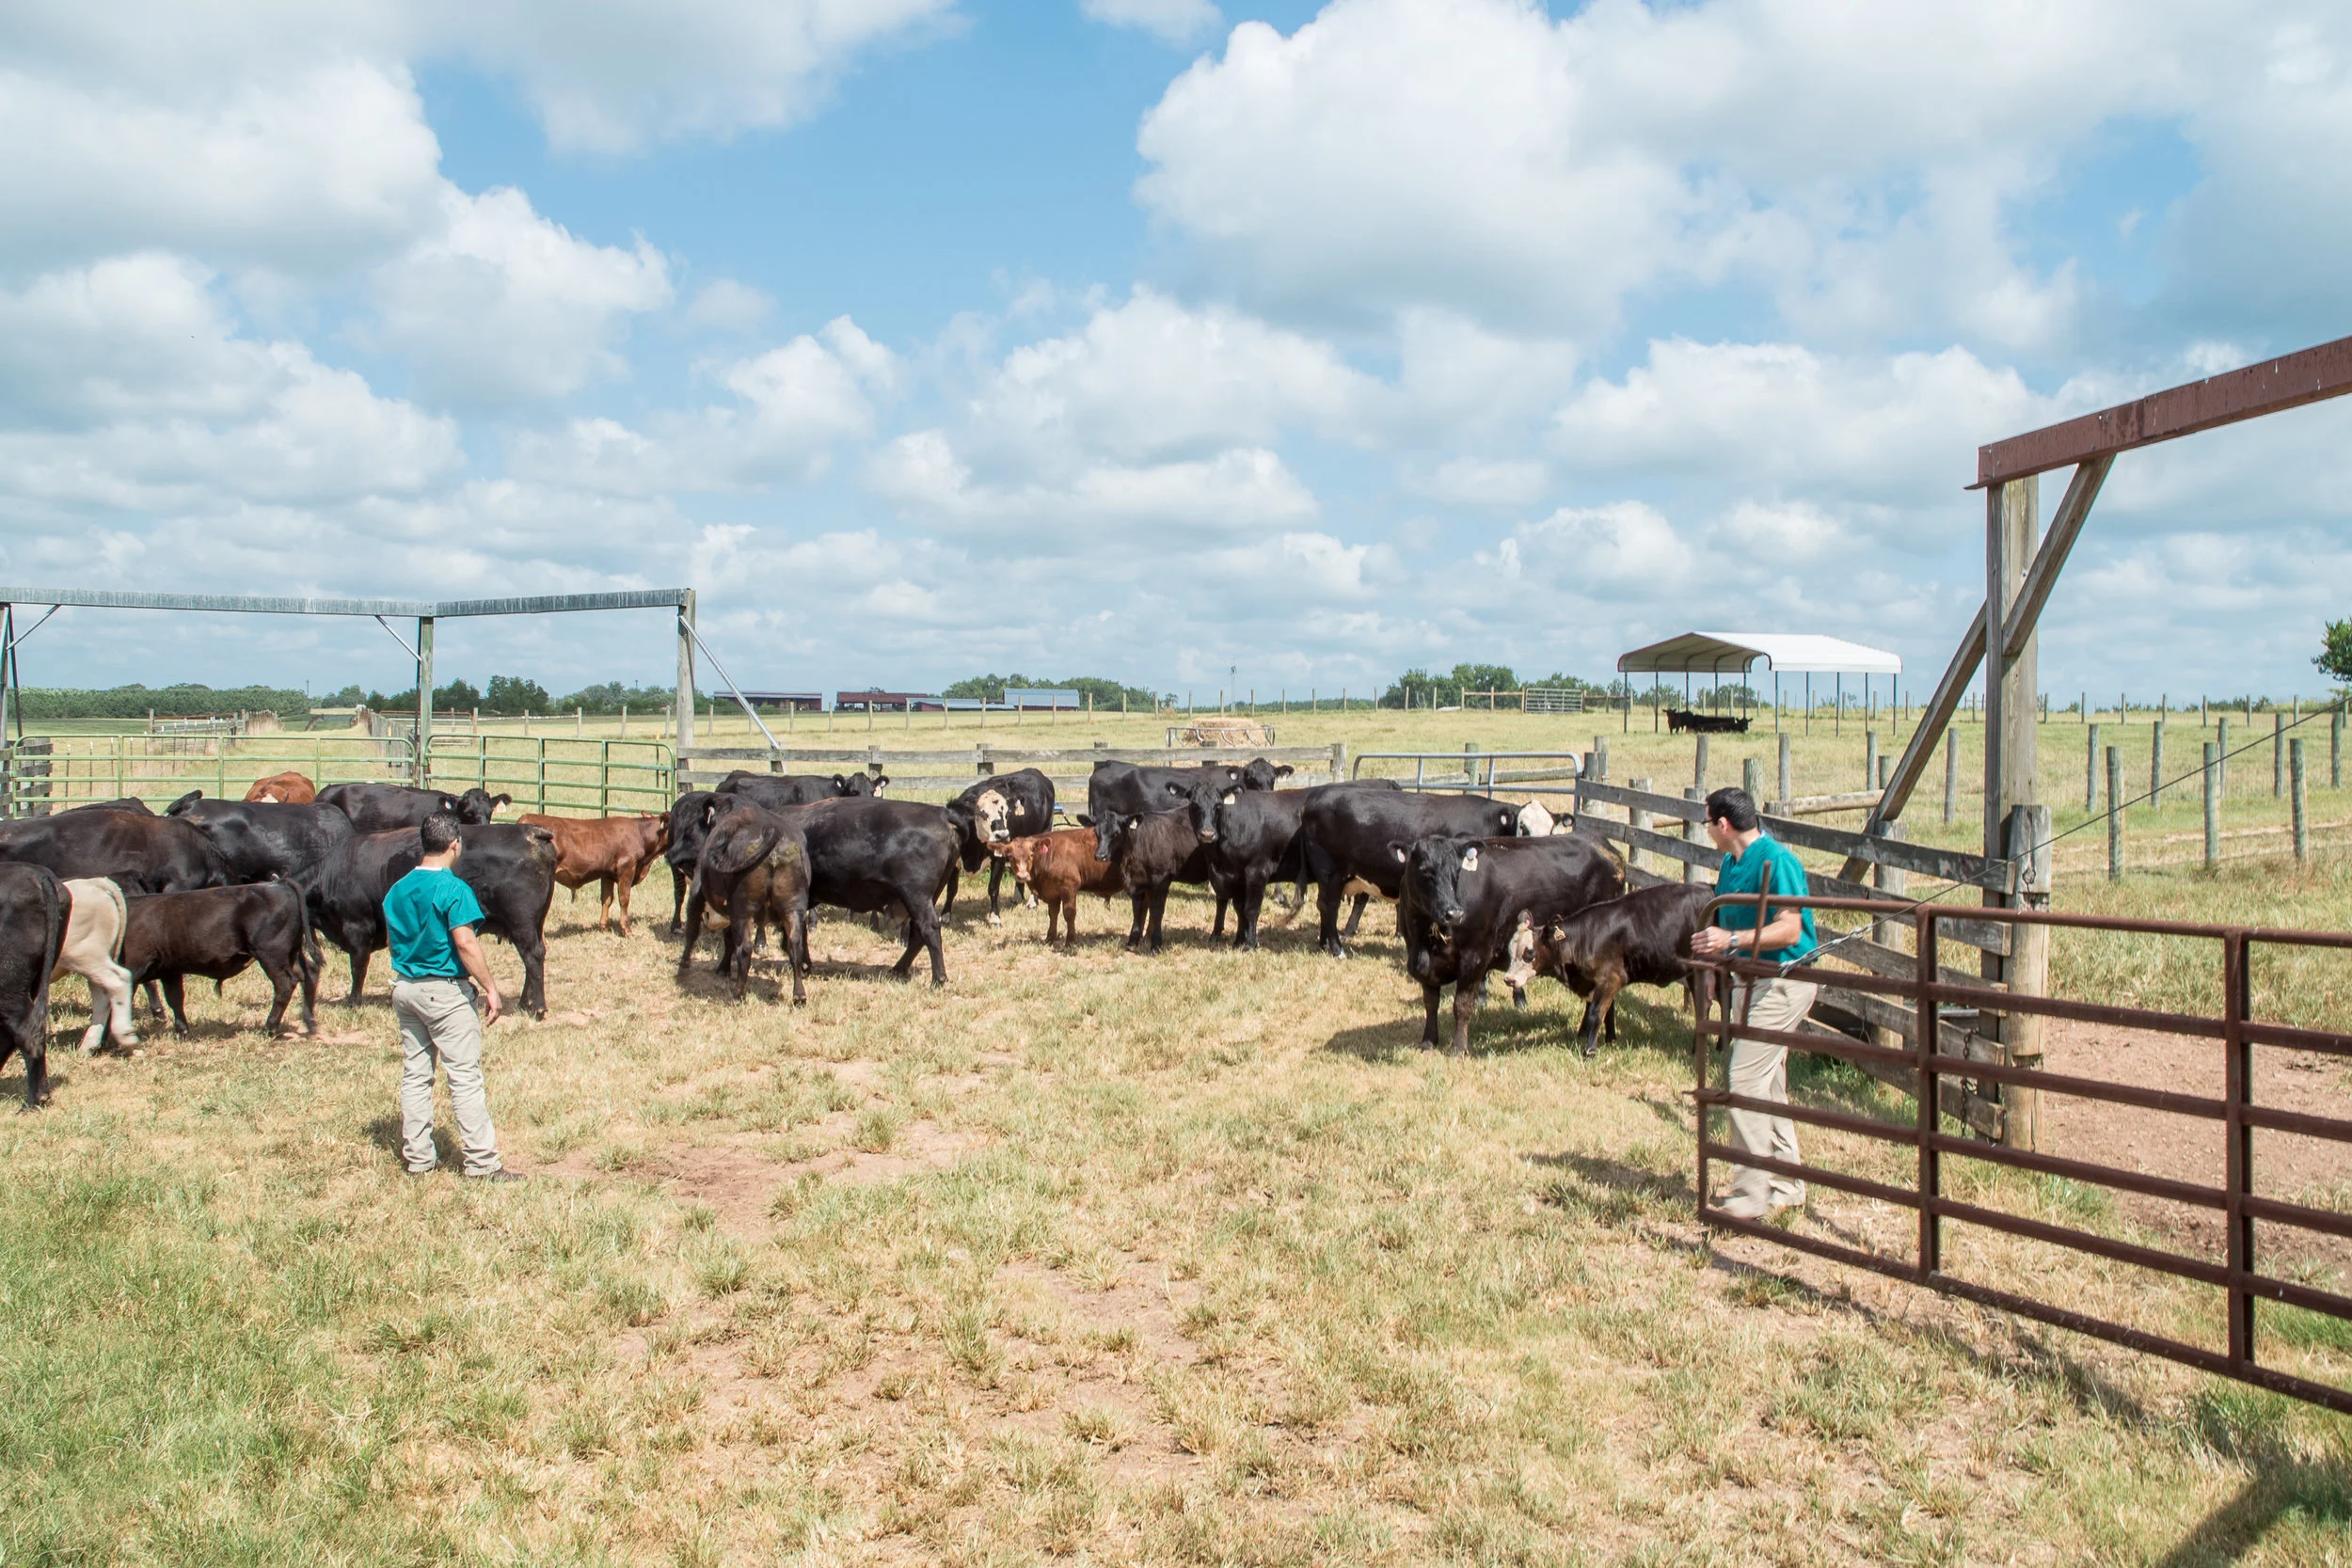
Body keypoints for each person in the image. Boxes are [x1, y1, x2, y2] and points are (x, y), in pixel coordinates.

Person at [1688, 785, 1817, 1220]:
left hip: (1784, 979)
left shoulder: (1778, 862)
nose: (1706, 830)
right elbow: (1720, 930)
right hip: (1748, 980)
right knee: (1767, 1080)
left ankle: (1749, 1195)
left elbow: (1790, 931)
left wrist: (1734, 941)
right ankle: (1787, 1181)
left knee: (1743, 1076)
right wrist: (1714, 971)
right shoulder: (1730, 864)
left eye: (1707, 822)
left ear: (1723, 824)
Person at [383, 812, 521, 1180]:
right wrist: (491, 987)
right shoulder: (453, 888)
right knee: (464, 1077)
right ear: (455, 844)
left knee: (415, 1075)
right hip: (443, 992)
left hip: (405, 988)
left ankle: (418, 1159)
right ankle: (481, 1162)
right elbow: (464, 941)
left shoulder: (397, 889)